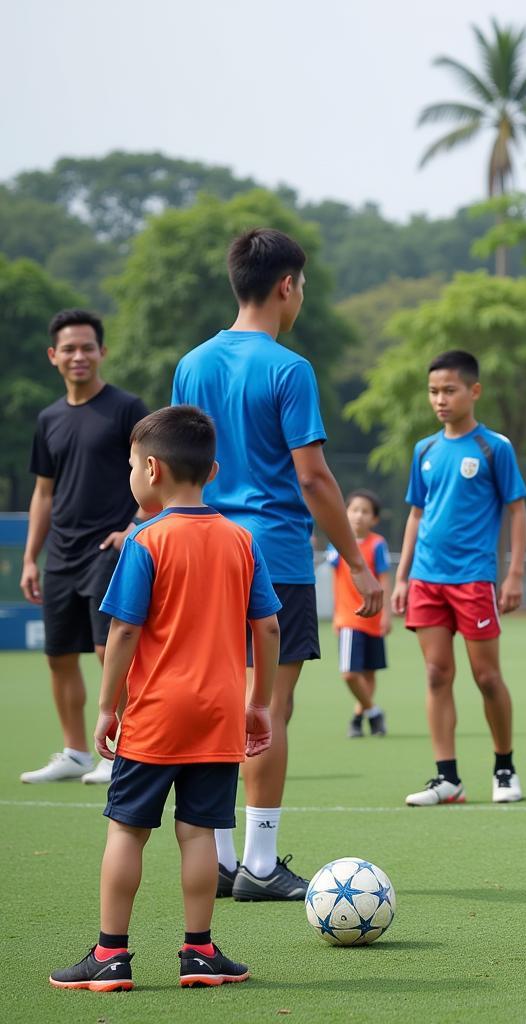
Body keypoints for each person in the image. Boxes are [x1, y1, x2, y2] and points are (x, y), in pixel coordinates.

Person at [172, 228, 383, 902]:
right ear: (287, 285)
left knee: (219, 703)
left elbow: (180, 467)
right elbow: (316, 480)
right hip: (275, 558)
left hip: (202, 551)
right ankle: (261, 865)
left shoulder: (192, 365)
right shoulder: (290, 369)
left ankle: (225, 857)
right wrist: (357, 563)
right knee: (269, 707)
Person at [49, 406, 281, 992]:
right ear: (213, 468)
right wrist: (260, 702)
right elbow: (269, 627)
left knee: (128, 831)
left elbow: (124, 631)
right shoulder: (241, 539)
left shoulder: (145, 540)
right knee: (200, 832)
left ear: (151, 469)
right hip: (220, 713)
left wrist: (107, 707)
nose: (130, 474)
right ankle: (199, 954)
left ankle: (110, 955)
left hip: (156, 714)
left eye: (130, 465)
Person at [392, 350, 526, 806]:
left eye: (449, 390)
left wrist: (513, 574)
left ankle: (504, 766)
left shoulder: (495, 448)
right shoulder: (424, 450)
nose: (440, 399)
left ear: (474, 391)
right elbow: (416, 514)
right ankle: (446, 778)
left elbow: (517, 510)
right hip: (427, 578)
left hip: (474, 578)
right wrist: (402, 576)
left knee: (487, 677)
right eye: (433, 391)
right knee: (435, 673)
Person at [20, 309, 148, 786]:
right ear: (54, 356)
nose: (79, 356)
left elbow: (157, 469)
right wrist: (32, 556)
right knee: (58, 654)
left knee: (105, 649)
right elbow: (43, 493)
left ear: (102, 352)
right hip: (62, 555)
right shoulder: (48, 418)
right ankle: (75, 752)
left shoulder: (127, 409)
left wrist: (133, 526)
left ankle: (123, 753)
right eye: (68, 348)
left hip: (110, 550)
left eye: (87, 347)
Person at [325, 488, 392, 738]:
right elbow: (335, 578)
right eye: (354, 510)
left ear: (374, 519)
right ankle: (373, 711)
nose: (358, 516)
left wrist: (386, 614)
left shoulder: (378, 544)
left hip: (373, 617)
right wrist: (335, 613)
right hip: (350, 617)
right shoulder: (339, 544)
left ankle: (358, 716)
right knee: (350, 673)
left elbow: (384, 578)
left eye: (365, 512)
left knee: (369, 672)